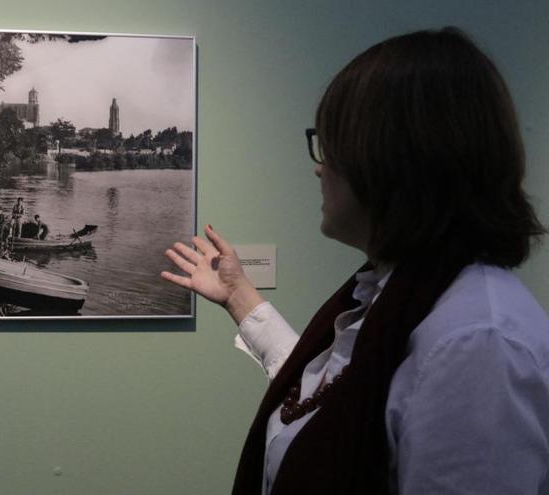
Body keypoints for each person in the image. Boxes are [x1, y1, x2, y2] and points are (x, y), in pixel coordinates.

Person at [161, 27, 549, 495]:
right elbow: (333, 399)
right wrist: (239, 296)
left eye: (330, 143)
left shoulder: (479, 343)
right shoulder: (394, 293)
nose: (318, 167)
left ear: (389, 158)